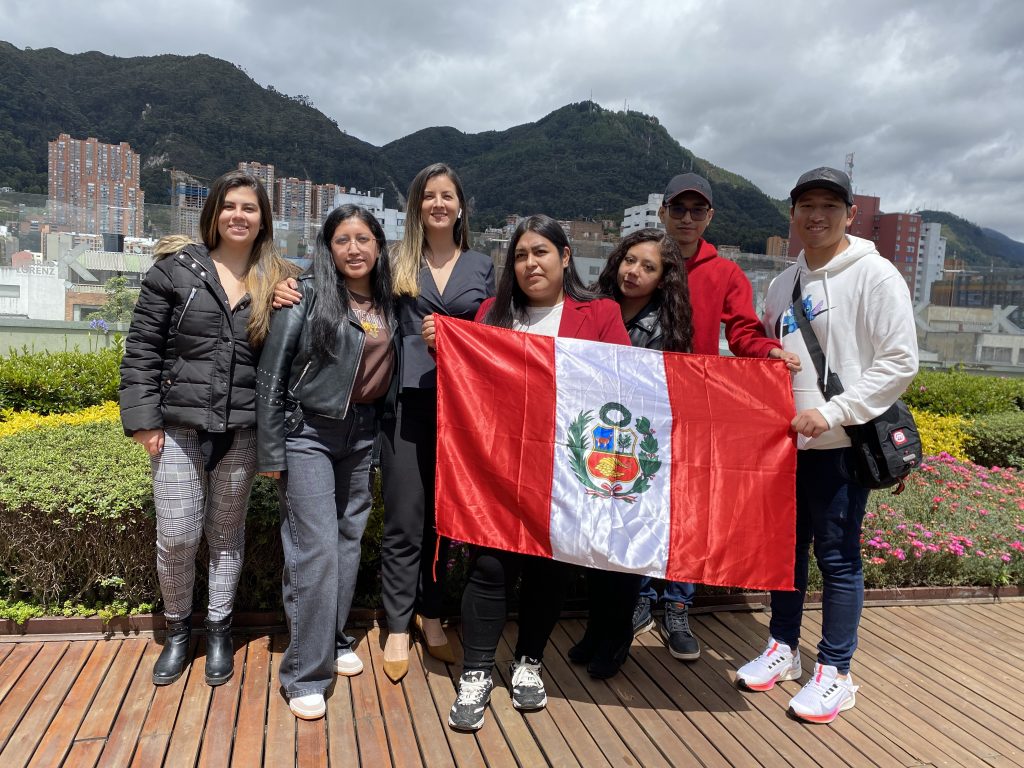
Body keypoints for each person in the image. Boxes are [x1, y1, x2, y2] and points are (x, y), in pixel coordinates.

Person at [273, 163, 494, 682]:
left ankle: (432, 616)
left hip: (463, 409)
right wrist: (290, 285)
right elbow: (339, 285)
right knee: (402, 519)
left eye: (448, 195)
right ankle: (397, 624)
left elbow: (500, 326)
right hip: (401, 405)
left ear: (461, 204)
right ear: (417, 206)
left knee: (446, 522)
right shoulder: (398, 261)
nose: (438, 204)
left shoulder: (484, 265)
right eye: (428, 196)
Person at [736, 167, 918, 723]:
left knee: (838, 558)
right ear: (792, 213)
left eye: (829, 207)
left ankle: (836, 671)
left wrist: (833, 412)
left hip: (841, 443)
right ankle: (783, 646)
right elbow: (767, 355)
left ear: (848, 215)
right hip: (785, 447)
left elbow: (899, 362)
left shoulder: (876, 275)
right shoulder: (780, 284)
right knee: (784, 554)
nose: (817, 216)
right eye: (806, 206)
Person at [438, 215, 631, 731]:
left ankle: (529, 662)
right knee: (488, 568)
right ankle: (477, 672)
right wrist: (445, 345)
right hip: (497, 466)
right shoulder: (490, 313)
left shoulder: (601, 314)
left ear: (565, 257)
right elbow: (467, 384)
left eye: (541, 252)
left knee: (549, 568)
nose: (530, 264)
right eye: (521, 255)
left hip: (565, 469)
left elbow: (623, 384)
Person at [119, 170, 296, 687]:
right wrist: (142, 421)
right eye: (230, 206)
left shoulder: (277, 280)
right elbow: (141, 350)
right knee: (176, 536)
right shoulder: (175, 271)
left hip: (239, 432)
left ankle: (218, 629)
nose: (239, 215)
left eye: (250, 208)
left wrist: (288, 301)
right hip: (177, 427)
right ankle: (178, 631)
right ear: (214, 212)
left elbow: (287, 359)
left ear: (264, 219)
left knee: (225, 536)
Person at [632, 172, 799, 661]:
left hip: (694, 406)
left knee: (689, 504)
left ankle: (677, 603)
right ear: (663, 212)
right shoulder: (646, 261)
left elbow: (743, 331)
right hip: (642, 403)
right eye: (678, 209)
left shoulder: (725, 272)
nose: (686, 218)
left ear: (709, 217)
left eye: (696, 210)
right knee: (640, 496)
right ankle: (639, 594)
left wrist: (767, 352)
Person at [256, 205, 397, 720]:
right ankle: (304, 673)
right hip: (308, 431)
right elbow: (271, 374)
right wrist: (271, 450)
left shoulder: (389, 302)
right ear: (329, 247)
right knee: (313, 549)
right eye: (343, 240)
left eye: (363, 238)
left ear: (380, 245)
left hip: (362, 434)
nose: (354, 249)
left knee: (345, 541)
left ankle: (333, 640)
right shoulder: (306, 293)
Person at [562, 229, 695, 679]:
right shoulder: (594, 306)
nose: (633, 272)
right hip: (594, 439)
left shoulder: (667, 325)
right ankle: (596, 629)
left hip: (635, 449)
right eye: (629, 261)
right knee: (593, 543)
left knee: (622, 547)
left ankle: (616, 636)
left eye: (648, 266)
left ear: (663, 279)